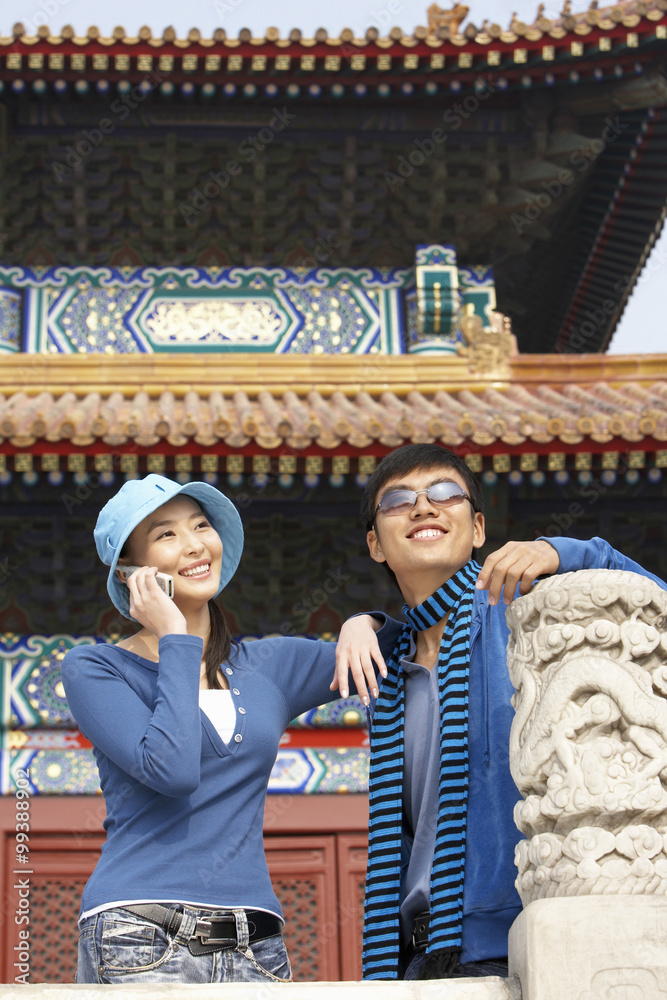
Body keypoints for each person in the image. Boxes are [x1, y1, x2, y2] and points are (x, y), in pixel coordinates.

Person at [61, 473, 401, 985]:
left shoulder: (270, 665)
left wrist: (364, 623)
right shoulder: (96, 669)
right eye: (166, 534)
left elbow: (412, 641)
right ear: (134, 573)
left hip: (255, 942)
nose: (196, 544)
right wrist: (175, 635)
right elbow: (172, 770)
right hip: (139, 932)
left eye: (201, 525)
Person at [350, 444, 667, 982]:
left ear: (477, 528)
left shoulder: (524, 618)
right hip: (417, 956)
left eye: (445, 493)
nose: (424, 506)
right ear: (375, 544)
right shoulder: (383, 664)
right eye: (399, 500)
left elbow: (650, 606)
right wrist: (364, 622)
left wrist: (566, 553)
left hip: (518, 938)